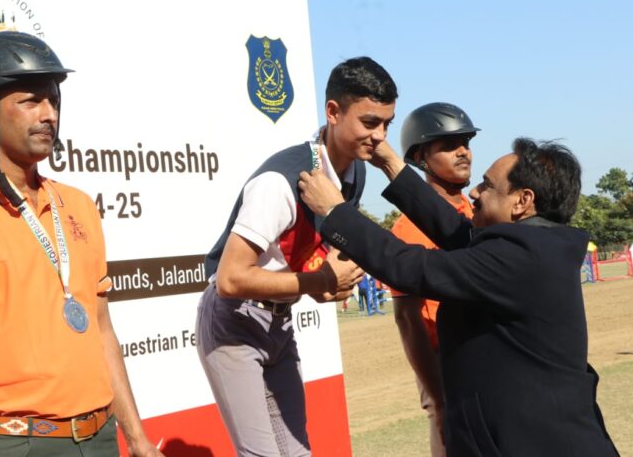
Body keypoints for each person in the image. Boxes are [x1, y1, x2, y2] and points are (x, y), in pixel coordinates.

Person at [0, 32, 163, 457]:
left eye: (53, 101)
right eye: (30, 101)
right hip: (14, 443)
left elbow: (102, 332)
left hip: (99, 438)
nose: (49, 115)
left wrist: (137, 439)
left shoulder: (78, 205)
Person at [298, 138, 619, 456]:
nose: (474, 192)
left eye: (487, 186)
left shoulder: (521, 258)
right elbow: (455, 229)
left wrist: (336, 211)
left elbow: (413, 268)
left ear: (522, 201)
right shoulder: (535, 245)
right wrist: (390, 164)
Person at [195, 57, 397, 456]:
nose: (380, 136)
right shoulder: (280, 181)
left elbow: (323, 255)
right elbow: (230, 279)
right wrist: (318, 282)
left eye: (387, 124)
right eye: (370, 122)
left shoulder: (355, 173)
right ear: (333, 112)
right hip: (234, 319)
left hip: (279, 321)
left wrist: (328, 281)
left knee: (298, 452)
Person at [389, 103, 478, 457]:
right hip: (445, 362)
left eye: (465, 143)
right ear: (420, 157)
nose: (463, 152)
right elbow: (407, 318)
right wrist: (438, 399)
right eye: (449, 145)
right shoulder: (410, 228)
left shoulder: (479, 211)